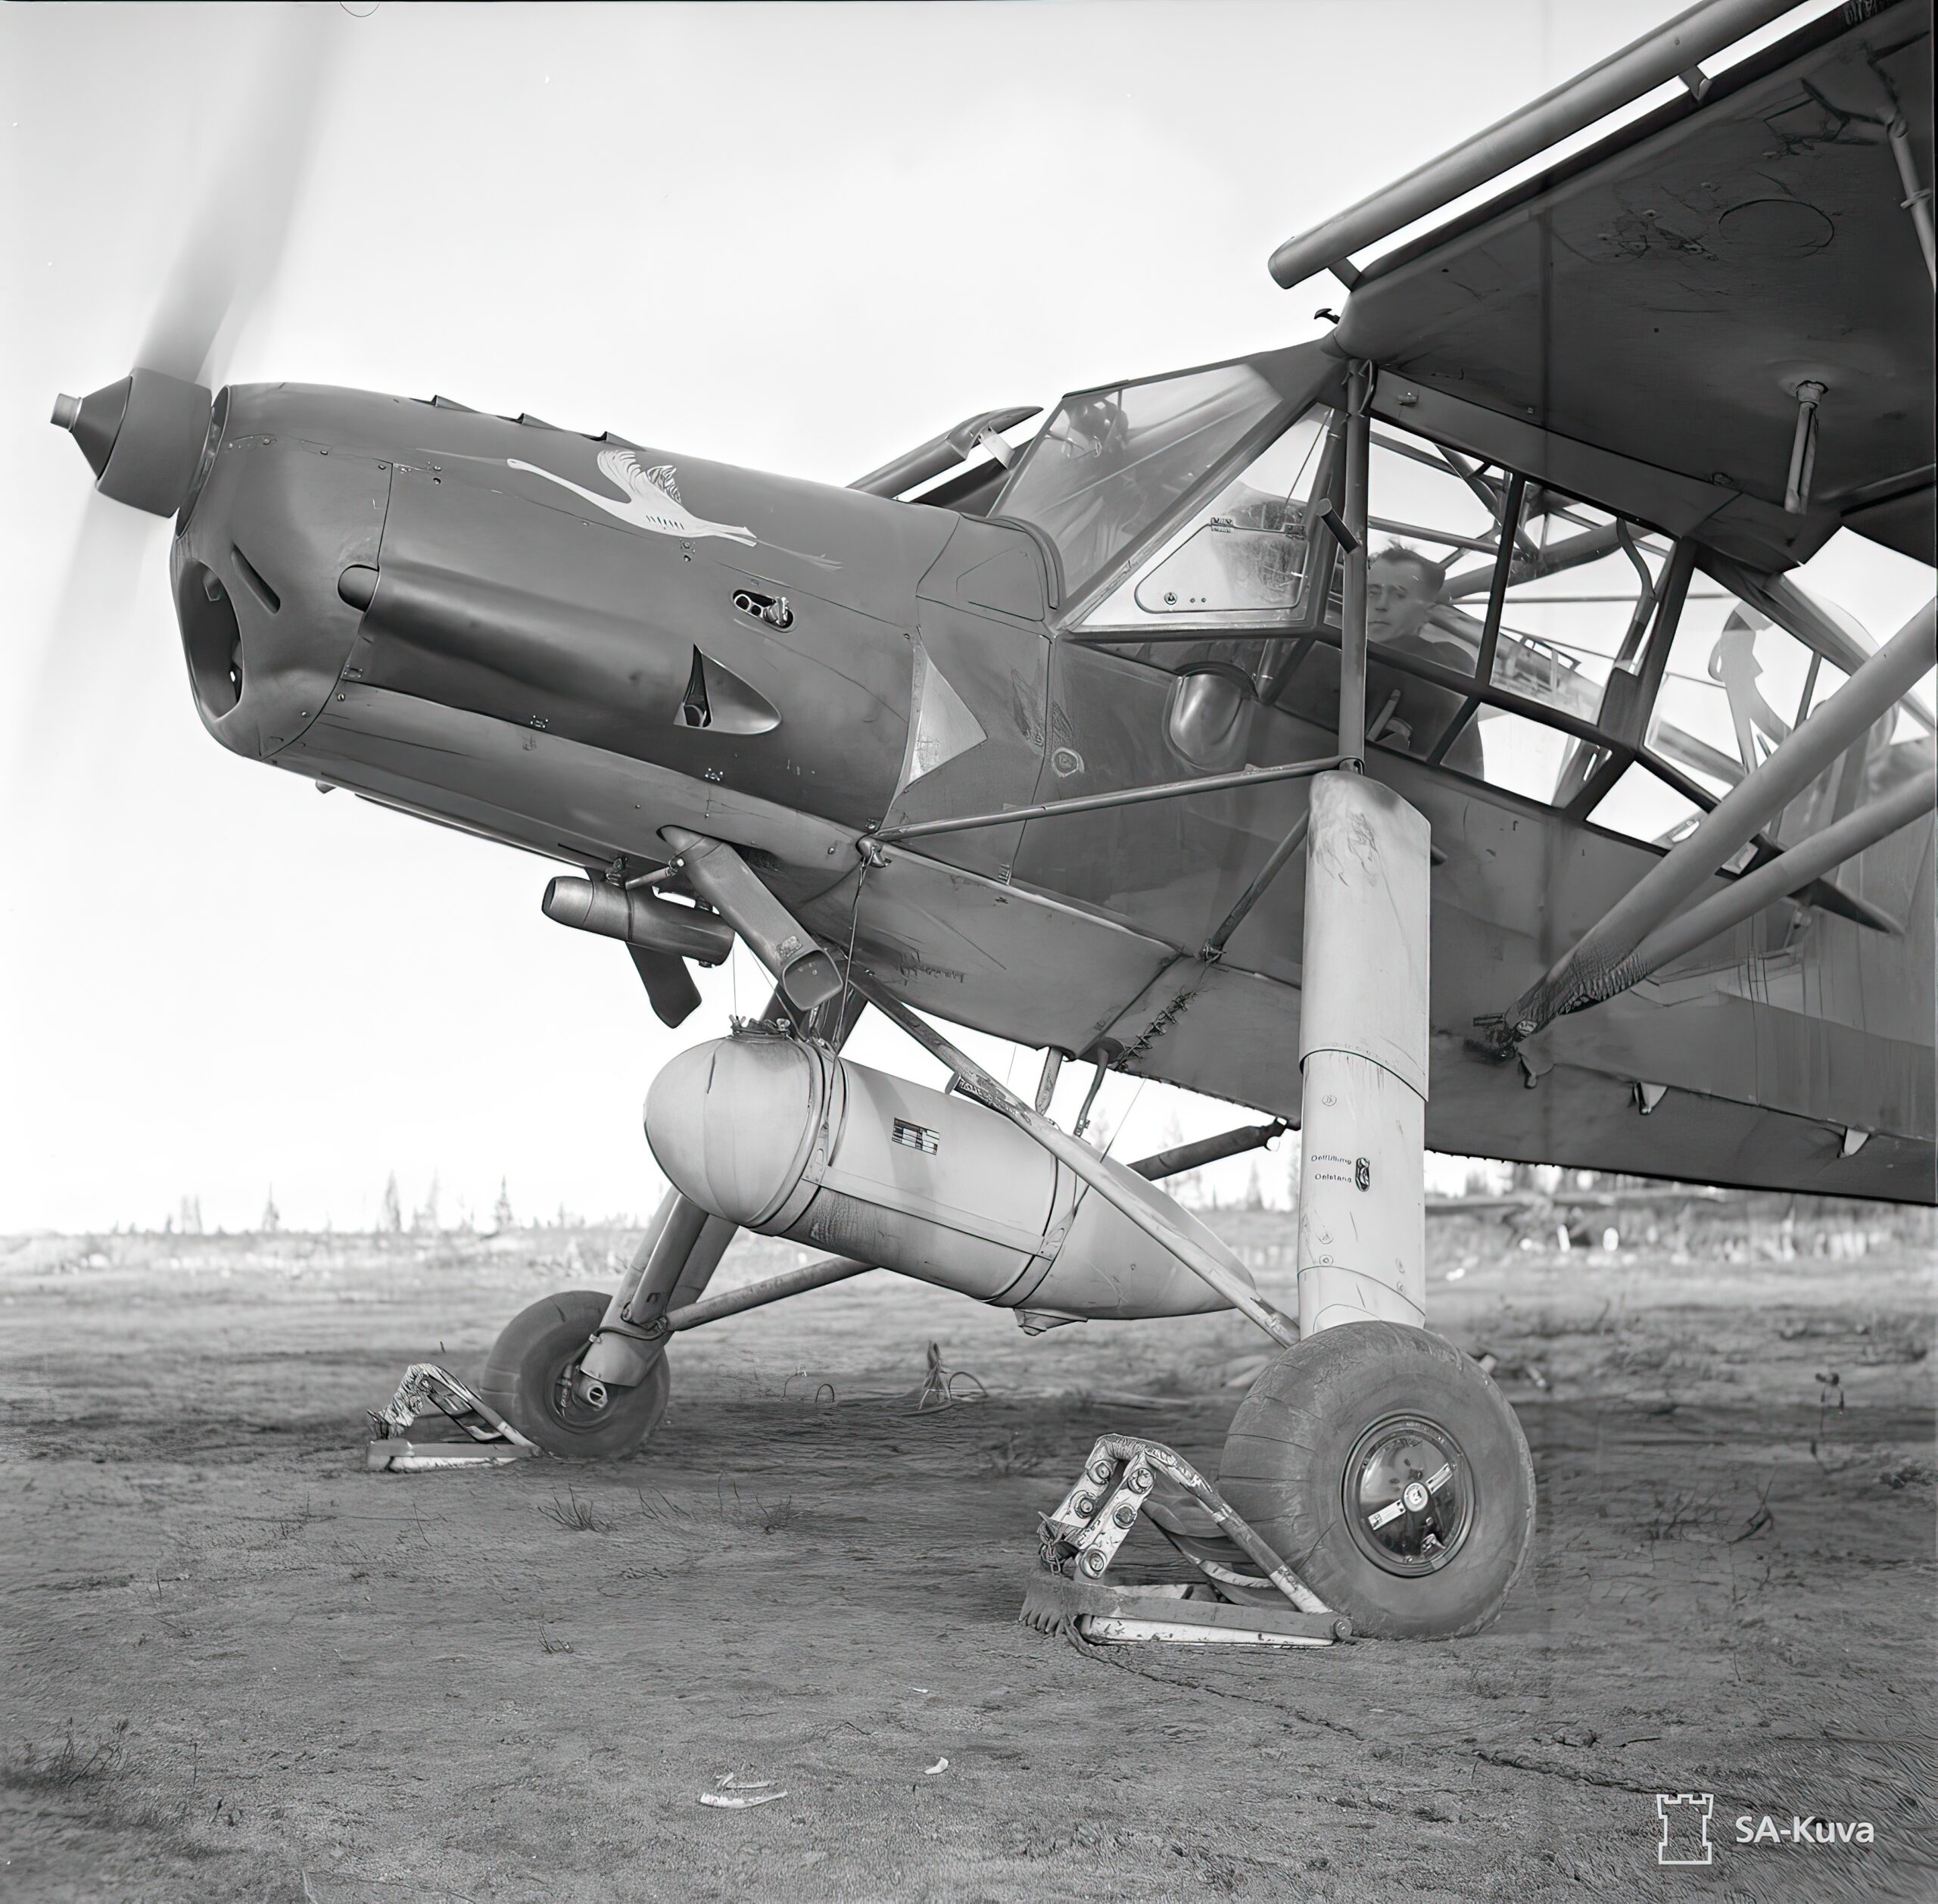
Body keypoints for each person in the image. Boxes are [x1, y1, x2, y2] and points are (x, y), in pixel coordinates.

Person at [1363, 544, 1483, 772]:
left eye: (1398, 595)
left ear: (1427, 612)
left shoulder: (1449, 660)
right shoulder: (1354, 653)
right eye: (1373, 593)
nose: (1381, 605)